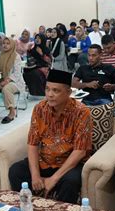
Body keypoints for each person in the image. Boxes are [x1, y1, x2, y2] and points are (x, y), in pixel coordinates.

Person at [8, 69, 93, 204]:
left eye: (56, 91)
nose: (50, 95)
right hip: (45, 160)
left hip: (69, 163)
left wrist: (54, 179)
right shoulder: (40, 108)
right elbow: (33, 143)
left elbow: (80, 151)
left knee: (70, 182)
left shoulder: (82, 112)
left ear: (68, 93)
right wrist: (35, 175)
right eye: (47, 89)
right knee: (16, 171)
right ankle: (32, 208)